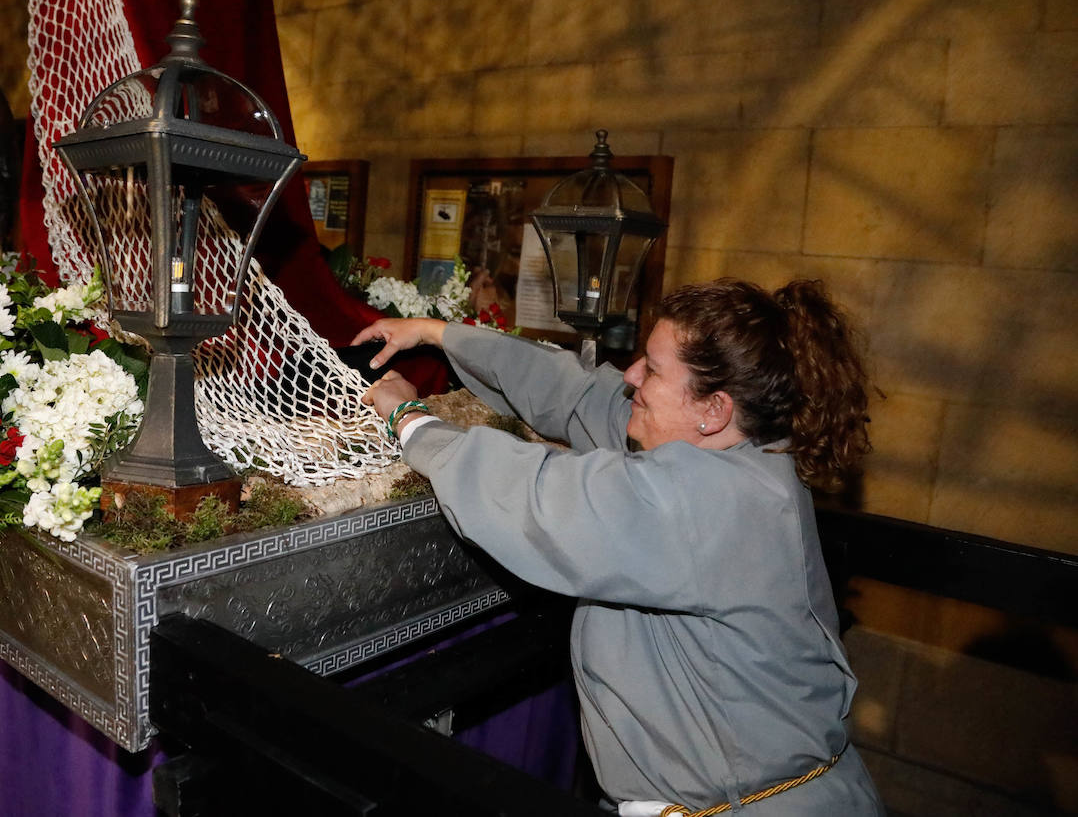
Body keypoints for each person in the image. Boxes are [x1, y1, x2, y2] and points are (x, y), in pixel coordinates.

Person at [354, 278, 884, 816]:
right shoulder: (736, 449)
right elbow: (581, 393)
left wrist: (410, 420)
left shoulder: (710, 500)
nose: (631, 377)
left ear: (714, 409)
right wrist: (436, 332)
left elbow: (538, 500)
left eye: (651, 369)